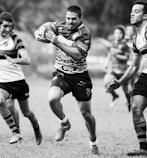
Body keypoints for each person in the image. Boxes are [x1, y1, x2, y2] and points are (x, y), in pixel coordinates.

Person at [34, 5, 99, 154]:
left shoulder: (84, 33)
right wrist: (41, 33)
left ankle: (93, 140)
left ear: (80, 19)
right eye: (68, 18)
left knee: (86, 114)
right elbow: (46, 27)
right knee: (52, 99)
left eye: (73, 19)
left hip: (80, 77)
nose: (70, 22)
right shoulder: (60, 26)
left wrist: (57, 42)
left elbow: (77, 54)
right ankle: (64, 124)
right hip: (61, 73)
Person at [106, 0, 147, 156]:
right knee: (135, 109)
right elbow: (134, 66)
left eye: (136, 11)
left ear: (146, 15)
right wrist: (120, 82)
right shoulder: (136, 38)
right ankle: (143, 149)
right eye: (131, 11)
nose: (132, 14)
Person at [0, 11, 42, 145]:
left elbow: (27, 59)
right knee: (3, 102)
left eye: (10, 27)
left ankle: (36, 127)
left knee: (26, 112)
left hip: (18, 81)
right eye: (5, 26)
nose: (7, 29)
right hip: (3, 83)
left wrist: (14, 60)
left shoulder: (15, 39)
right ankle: (16, 132)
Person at [97, 25, 131, 111]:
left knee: (125, 90)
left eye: (120, 33)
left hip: (123, 71)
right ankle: (115, 95)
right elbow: (110, 54)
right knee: (106, 82)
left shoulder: (125, 45)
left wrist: (117, 55)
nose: (117, 34)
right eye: (116, 32)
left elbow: (126, 58)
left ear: (123, 34)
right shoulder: (112, 43)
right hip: (112, 69)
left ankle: (129, 102)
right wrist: (106, 63)